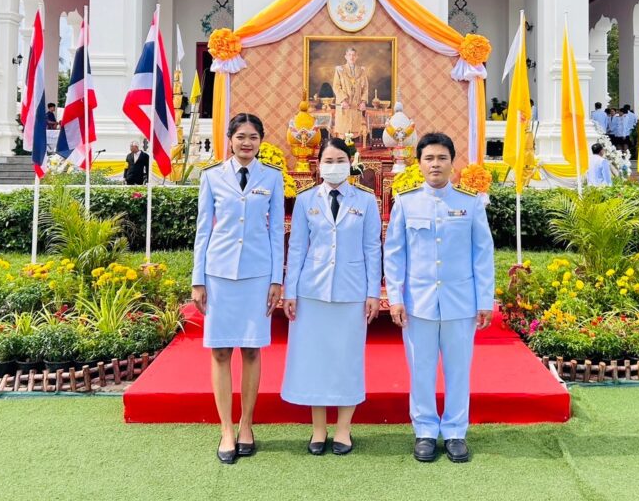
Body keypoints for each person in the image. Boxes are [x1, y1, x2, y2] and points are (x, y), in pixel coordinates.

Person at [384, 132, 495, 464]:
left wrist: (484, 300)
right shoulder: (405, 201)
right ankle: (425, 431)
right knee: (421, 368)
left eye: (441, 158)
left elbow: (482, 254)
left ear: (451, 162)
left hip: (460, 300)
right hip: (418, 301)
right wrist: (395, 297)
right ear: (419, 163)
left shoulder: (470, 202)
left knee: (459, 368)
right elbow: (394, 254)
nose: (435, 164)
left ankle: (456, 431)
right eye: (429, 158)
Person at [192, 113, 284, 465]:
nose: (247, 143)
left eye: (254, 137)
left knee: (250, 351)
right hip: (218, 273)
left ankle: (247, 424)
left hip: (258, 274)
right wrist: (197, 279)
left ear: (261, 141)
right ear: (229, 139)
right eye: (241, 136)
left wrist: (277, 279)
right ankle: (226, 429)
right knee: (219, 352)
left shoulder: (272, 177)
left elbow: (276, 231)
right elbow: (203, 230)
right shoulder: (212, 177)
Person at [281, 138, 382, 455]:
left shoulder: (365, 201)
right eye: (329, 160)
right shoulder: (306, 200)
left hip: (351, 292)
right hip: (312, 291)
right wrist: (290, 291)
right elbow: (297, 248)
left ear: (350, 163)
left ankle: (343, 429)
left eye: (341, 160)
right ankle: (318, 429)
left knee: (346, 359)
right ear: (318, 164)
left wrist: (372, 292)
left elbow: (372, 248)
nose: (334, 166)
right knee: (316, 360)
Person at [332, 47, 369, 141]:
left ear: (357, 57)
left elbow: (365, 87)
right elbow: (336, 86)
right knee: (342, 132)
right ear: (345, 57)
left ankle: (351, 153)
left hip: (356, 105)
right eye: (349, 55)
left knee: (354, 132)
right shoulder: (340, 70)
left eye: (353, 55)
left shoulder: (361, 70)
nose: (351, 57)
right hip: (344, 105)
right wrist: (343, 100)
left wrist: (363, 101)